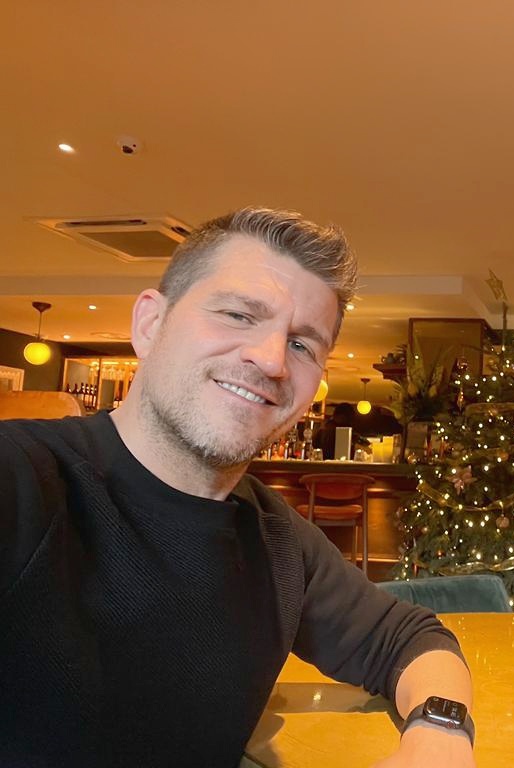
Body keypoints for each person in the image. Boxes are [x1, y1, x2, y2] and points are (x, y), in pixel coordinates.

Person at [0, 208, 475, 768]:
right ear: (150, 324)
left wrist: (439, 732)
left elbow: (408, 638)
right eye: (237, 315)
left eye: (302, 345)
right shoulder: (24, 477)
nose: (271, 360)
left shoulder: (279, 539)